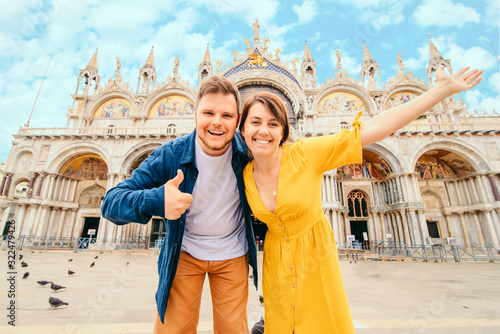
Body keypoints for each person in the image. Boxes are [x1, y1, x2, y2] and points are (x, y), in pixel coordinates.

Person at [238, 65, 482, 333]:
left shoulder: (306, 153)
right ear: (242, 128)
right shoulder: (244, 172)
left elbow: (373, 129)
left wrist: (441, 90)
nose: (264, 131)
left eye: (274, 123)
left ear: (284, 130)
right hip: (276, 266)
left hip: (315, 260)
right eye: (255, 122)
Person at [101, 75, 258, 334]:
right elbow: (111, 202)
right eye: (208, 112)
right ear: (195, 113)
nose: (217, 122)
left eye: (227, 116)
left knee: (233, 330)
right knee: (173, 330)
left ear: (238, 120)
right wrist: (157, 200)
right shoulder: (170, 154)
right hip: (184, 253)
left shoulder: (249, 153)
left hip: (233, 253)